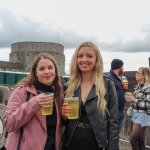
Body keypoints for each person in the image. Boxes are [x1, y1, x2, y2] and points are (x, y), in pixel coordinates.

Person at [61, 42, 118, 150]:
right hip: (71, 143)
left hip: (96, 144)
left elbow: (113, 122)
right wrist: (64, 116)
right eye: (80, 56)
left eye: (89, 56)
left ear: (96, 59)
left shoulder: (107, 85)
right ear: (76, 60)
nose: (84, 59)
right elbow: (63, 122)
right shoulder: (67, 87)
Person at [4, 53, 63, 150]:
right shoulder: (22, 91)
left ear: (55, 71)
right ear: (35, 73)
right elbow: (9, 124)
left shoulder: (57, 94)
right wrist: (34, 103)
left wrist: (64, 117)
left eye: (50, 67)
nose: (47, 72)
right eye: (42, 69)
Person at [125, 67, 150, 150]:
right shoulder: (138, 87)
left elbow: (148, 105)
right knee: (140, 140)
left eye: (138, 73)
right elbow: (138, 102)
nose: (136, 75)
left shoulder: (148, 88)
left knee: (132, 139)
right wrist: (131, 99)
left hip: (143, 116)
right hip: (136, 114)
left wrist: (134, 99)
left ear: (144, 76)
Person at [106, 59, 128, 150]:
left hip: (120, 109)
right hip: (114, 111)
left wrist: (124, 89)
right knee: (112, 134)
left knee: (116, 134)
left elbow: (118, 92)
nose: (123, 68)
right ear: (119, 67)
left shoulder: (120, 78)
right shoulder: (109, 78)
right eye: (122, 67)